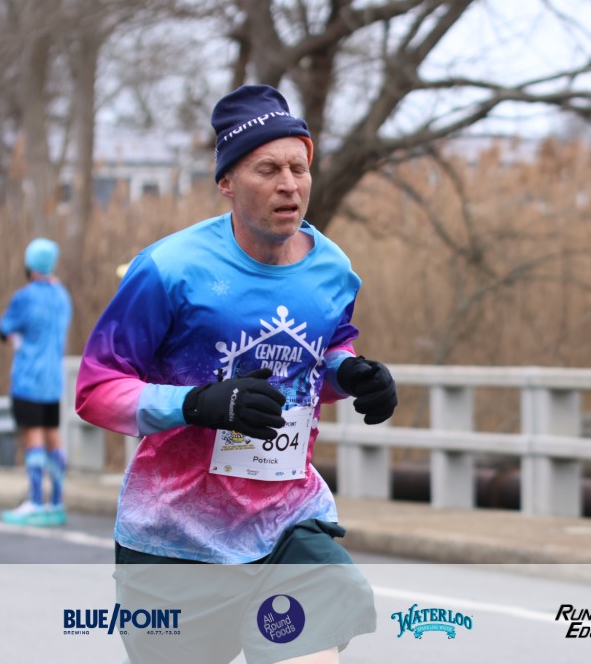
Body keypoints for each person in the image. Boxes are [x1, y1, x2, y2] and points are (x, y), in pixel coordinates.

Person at [76, 84, 397, 663]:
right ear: (227, 182)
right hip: (176, 535)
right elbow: (97, 389)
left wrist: (353, 374)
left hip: (288, 522)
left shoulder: (332, 269)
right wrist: (197, 404)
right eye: (267, 169)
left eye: (299, 167)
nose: (289, 184)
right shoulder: (170, 269)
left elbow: (320, 355)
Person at [0, 237, 73, 527]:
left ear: (29, 266)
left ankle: (35, 502)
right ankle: (57, 501)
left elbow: (4, 328)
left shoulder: (25, 297)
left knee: (33, 437)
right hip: (53, 381)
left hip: (28, 379)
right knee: (53, 436)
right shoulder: (62, 296)